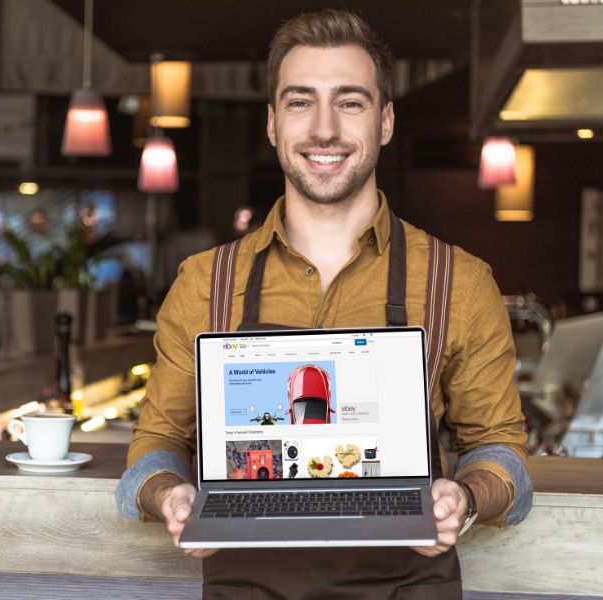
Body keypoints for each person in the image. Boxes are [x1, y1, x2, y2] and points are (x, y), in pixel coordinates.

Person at [115, 9, 532, 599]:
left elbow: (503, 454)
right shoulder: (204, 282)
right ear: (272, 122)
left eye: (351, 102)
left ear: (385, 121)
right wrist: (170, 495)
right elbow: (153, 449)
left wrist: (464, 497)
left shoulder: (458, 282)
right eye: (300, 101)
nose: (324, 129)